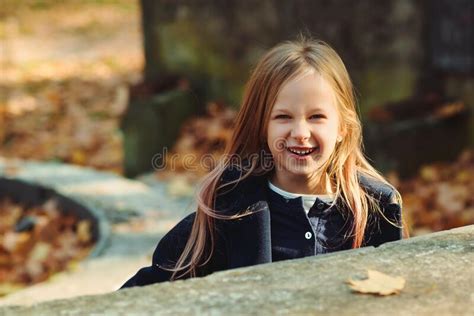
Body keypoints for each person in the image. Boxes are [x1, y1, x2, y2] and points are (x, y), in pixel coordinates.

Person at [120, 36, 405, 289]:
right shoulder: (228, 209)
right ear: (262, 126)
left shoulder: (376, 210)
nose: (300, 133)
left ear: (343, 127)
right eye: (283, 117)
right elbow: (146, 292)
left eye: (316, 117)